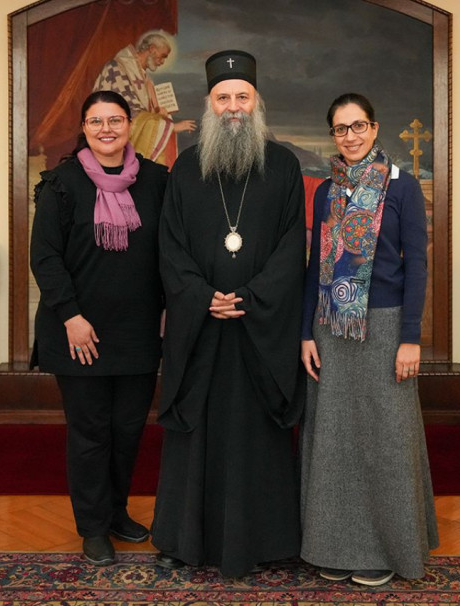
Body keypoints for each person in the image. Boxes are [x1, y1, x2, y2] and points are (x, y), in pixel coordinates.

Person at [150, 50, 306, 578]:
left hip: (260, 328)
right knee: (196, 434)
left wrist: (252, 298)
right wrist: (201, 297)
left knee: (255, 434)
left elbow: (292, 247)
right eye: (224, 98)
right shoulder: (186, 167)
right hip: (202, 328)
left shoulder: (282, 165)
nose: (233, 106)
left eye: (242, 96)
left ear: (256, 102)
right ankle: (184, 538)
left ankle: (266, 540)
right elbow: (170, 246)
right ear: (209, 104)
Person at [299, 93, 439, 587]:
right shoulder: (326, 191)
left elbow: (416, 264)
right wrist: (305, 333)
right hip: (331, 327)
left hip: (383, 327)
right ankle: (334, 547)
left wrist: (410, 338)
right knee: (334, 439)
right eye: (341, 129)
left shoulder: (402, 187)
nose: (351, 136)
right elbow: (314, 265)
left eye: (358, 126)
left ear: (375, 128)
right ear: (333, 136)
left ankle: (385, 549)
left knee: (386, 439)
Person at [29, 90, 168, 567]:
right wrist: (71, 316)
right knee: (91, 433)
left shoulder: (156, 181)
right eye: (96, 121)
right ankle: (92, 528)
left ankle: (115, 513)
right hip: (77, 333)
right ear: (84, 128)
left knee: (127, 431)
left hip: (137, 332)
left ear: (130, 124)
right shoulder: (61, 183)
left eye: (115, 120)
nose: (106, 129)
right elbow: (45, 258)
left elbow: (171, 250)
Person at [92, 30, 196, 165]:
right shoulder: (118, 68)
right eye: (162, 56)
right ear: (152, 49)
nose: (162, 62)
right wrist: (171, 127)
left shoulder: (145, 77)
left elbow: (144, 112)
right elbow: (129, 112)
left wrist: (159, 113)